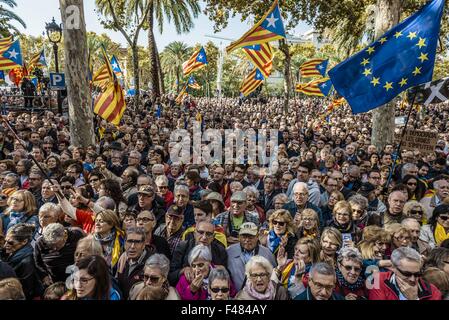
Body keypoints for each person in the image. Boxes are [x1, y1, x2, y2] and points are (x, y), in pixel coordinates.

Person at [368, 247, 442, 300]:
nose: (412, 279)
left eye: (417, 274)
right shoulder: (377, 280)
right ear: (393, 268)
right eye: (407, 274)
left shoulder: (433, 291)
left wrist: (414, 298)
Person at [168, 221, 227, 286]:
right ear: (194, 233)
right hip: (186, 290)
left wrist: (222, 270)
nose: (204, 237)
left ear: (213, 236)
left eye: (208, 234)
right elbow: (170, 277)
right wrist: (183, 270)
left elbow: (228, 277)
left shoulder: (220, 250)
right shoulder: (183, 247)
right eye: (201, 233)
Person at [227, 222, 276, 291]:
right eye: (244, 237)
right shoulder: (229, 252)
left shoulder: (267, 253)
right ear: (239, 237)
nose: (247, 240)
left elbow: (273, 276)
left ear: (257, 237)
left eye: (250, 237)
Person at [3, 223, 43, 299]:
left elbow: (25, 290)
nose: (5, 245)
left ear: (24, 241)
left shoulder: (27, 262)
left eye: (10, 243)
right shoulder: (14, 253)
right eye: (6, 241)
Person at [115, 227, 153, 299]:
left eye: (137, 242)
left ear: (144, 244)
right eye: (129, 241)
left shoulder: (152, 263)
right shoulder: (123, 257)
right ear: (125, 242)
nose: (132, 246)